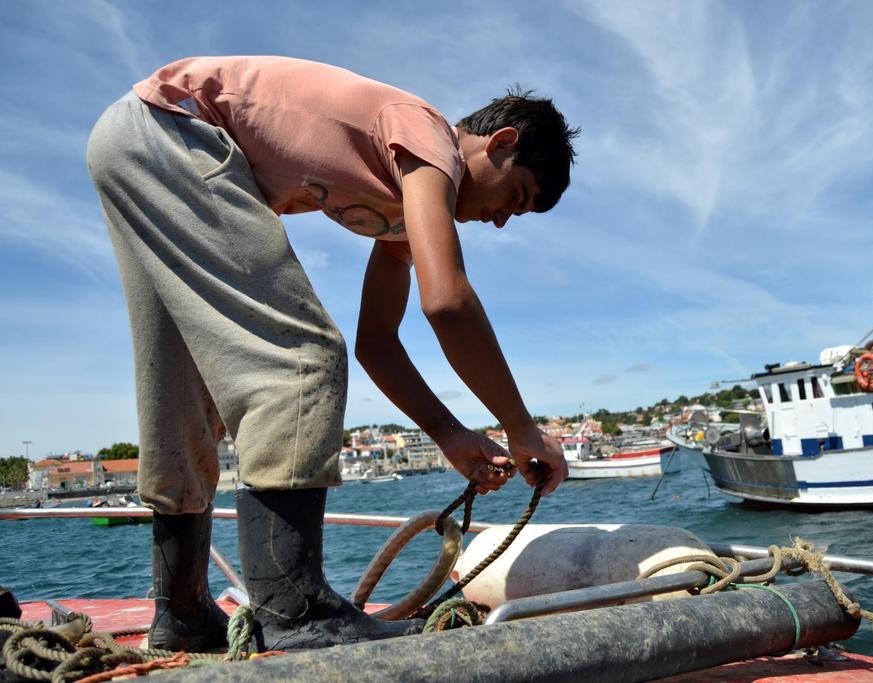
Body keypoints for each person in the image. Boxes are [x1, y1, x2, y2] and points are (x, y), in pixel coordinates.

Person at [86, 56, 577, 653]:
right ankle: (294, 613)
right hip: (173, 127)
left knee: (185, 385)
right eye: (515, 196)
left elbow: (379, 341)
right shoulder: (428, 136)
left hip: (130, 140)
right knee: (301, 357)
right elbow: (446, 301)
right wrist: (523, 430)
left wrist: (449, 433)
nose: (500, 220)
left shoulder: (402, 213)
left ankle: (182, 610)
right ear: (500, 143)